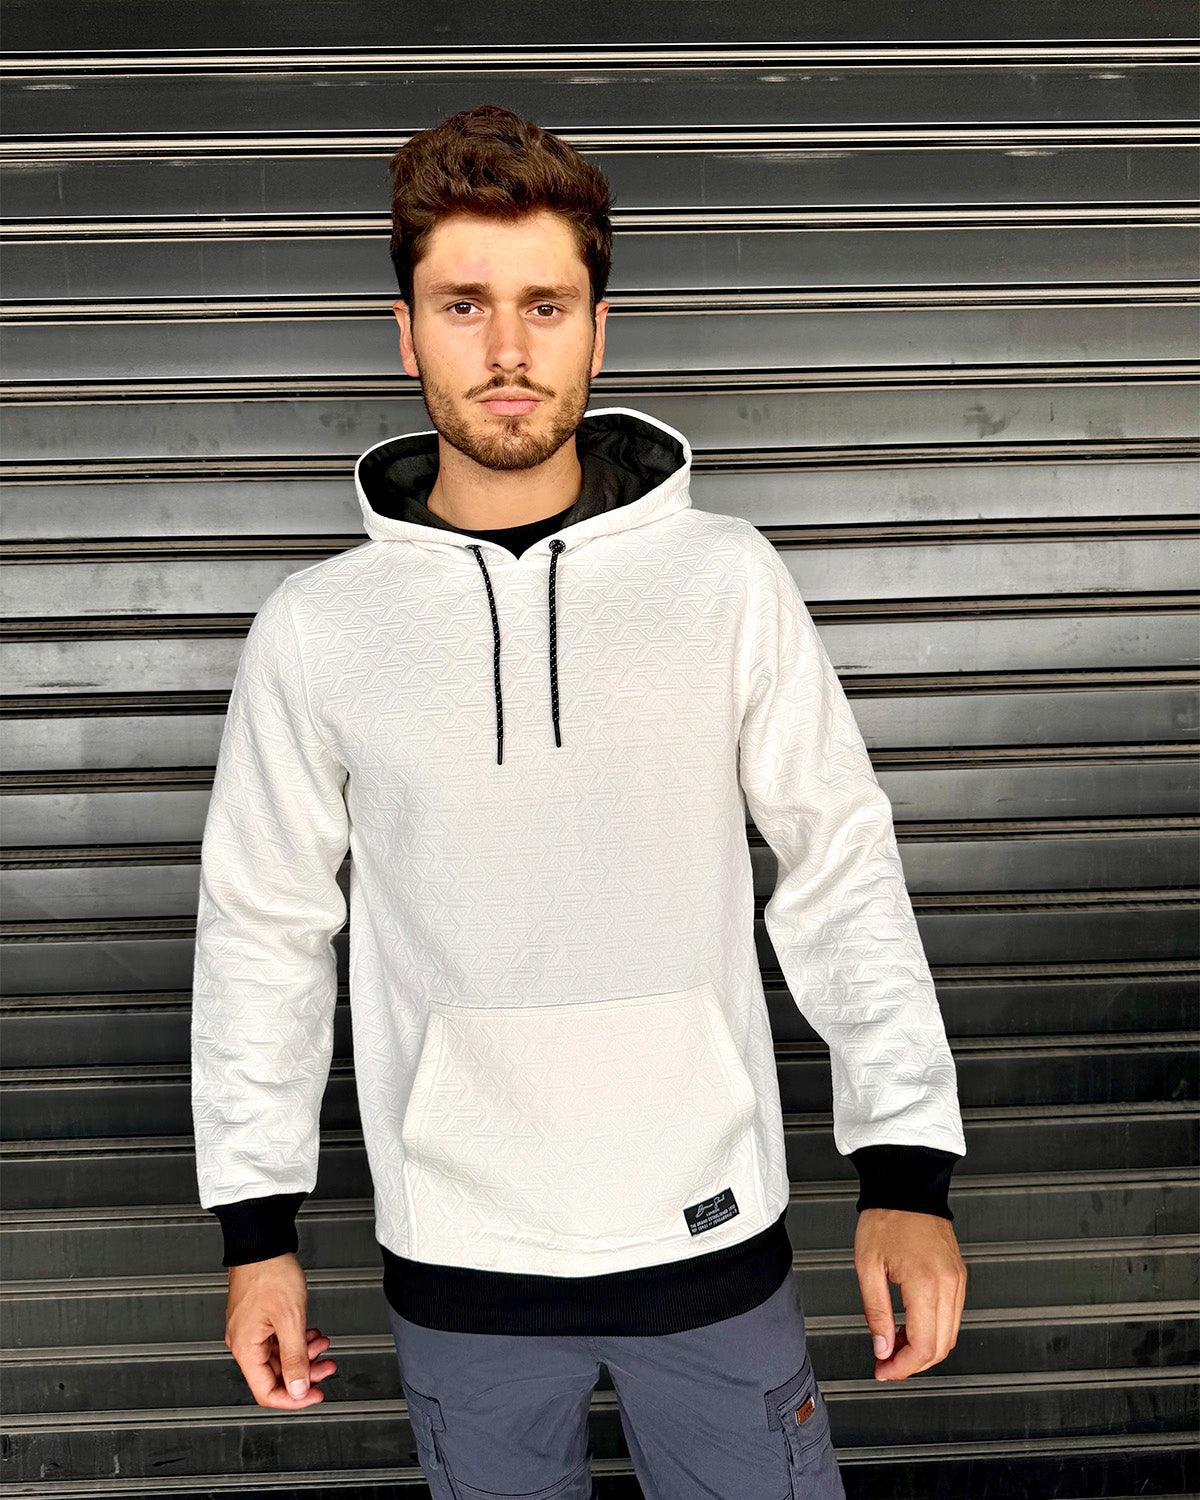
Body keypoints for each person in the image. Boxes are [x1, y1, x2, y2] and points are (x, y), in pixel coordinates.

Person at [191, 104, 968, 1499]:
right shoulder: (318, 628)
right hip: (461, 1266)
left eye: (544, 306)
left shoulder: (726, 580)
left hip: (710, 1243)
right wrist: (258, 1232)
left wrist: (905, 1170)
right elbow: (264, 931)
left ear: (598, 331)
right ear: (406, 332)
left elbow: (839, 865)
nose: (506, 350)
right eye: (464, 305)